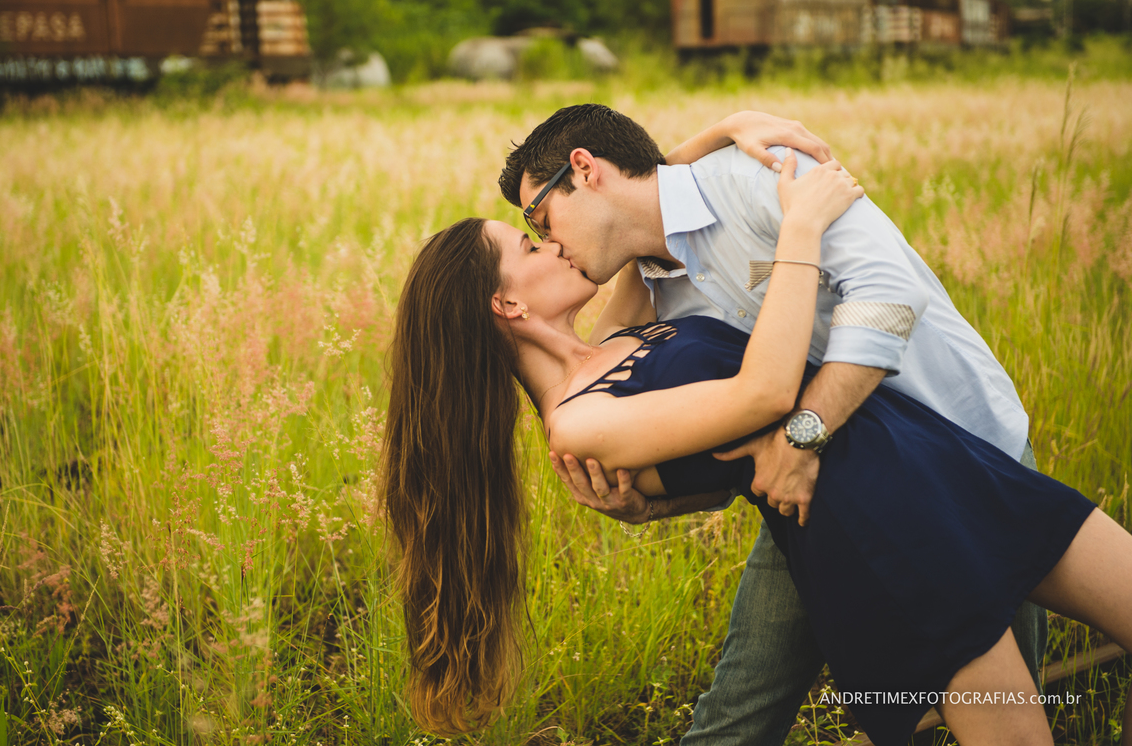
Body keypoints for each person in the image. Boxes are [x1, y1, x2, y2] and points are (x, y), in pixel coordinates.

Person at [379, 161, 1132, 744]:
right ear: (507, 305)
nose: (551, 241)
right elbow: (767, 392)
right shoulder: (580, 422)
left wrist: (730, 124)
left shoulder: (616, 337)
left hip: (944, 461)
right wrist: (800, 229)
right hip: (888, 534)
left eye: (541, 224)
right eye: (528, 244)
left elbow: (629, 198)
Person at [496, 104, 1050, 745]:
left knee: (1007, 696)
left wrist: (802, 435)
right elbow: (722, 444)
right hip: (814, 499)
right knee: (741, 706)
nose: (550, 244)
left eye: (539, 220)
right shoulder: (648, 300)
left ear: (584, 170)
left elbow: (891, 295)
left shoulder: (764, 176)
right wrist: (655, 504)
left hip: (969, 450)